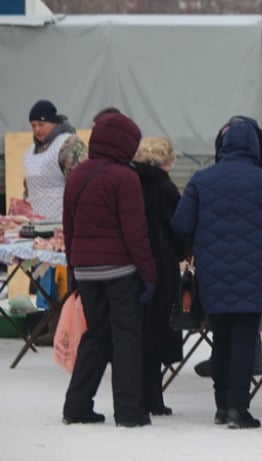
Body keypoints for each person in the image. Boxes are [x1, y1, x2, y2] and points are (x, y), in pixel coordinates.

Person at [171, 116, 262, 429]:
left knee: (221, 338)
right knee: (243, 340)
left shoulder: (201, 179)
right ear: (255, 147)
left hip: (213, 272)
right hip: (253, 272)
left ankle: (223, 407)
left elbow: (181, 225)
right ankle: (239, 408)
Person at [61, 112, 156, 428]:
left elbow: (69, 227)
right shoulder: (125, 178)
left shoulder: (77, 175)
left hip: (87, 271)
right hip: (119, 272)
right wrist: (148, 274)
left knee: (96, 335)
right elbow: (135, 233)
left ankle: (76, 405)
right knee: (126, 337)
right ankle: (129, 411)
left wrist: (73, 268)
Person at [24, 99, 88, 344]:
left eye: (41, 123)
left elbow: (81, 180)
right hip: (38, 227)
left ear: (52, 122)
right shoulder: (31, 151)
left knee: (69, 280)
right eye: (32, 125)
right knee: (45, 281)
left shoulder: (69, 144)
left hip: (66, 224)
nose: (37, 130)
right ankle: (52, 327)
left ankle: (72, 330)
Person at [132, 136, 186, 416]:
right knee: (156, 332)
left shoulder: (128, 181)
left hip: (131, 264)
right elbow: (178, 229)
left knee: (136, 333)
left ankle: (138, 396)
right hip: (161, 267)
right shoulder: (166, 188)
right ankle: (153, 398)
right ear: (167, 160)